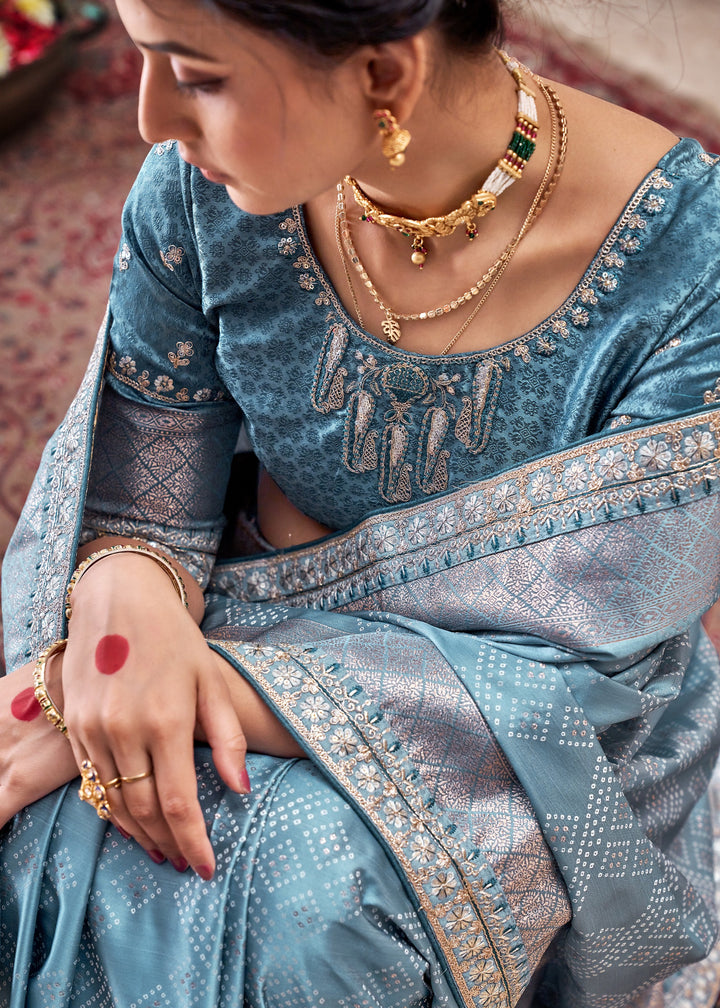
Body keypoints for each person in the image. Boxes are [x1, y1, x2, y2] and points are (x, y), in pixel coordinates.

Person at [1, 0, 720, 1004]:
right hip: (236, 611)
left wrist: (162, 699)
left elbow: (587, 658)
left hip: (523, 723)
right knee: (41, 816)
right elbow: (143, 483)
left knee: (319, 900)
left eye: (197, 75)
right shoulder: (203, 189)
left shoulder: (688, 270)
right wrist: (123, 611)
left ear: (385, 78)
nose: (151, 119)